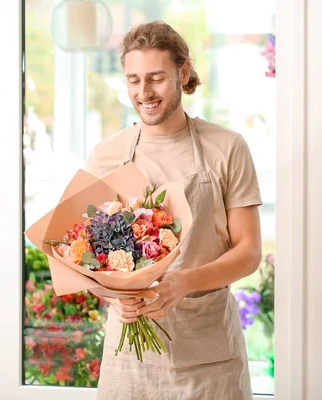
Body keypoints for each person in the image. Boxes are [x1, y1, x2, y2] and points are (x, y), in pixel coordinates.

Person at [84, 20, 263, 400]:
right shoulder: (108, 155)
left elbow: (248, 251)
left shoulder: (227, 147)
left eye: (156, 78)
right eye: (133, 80)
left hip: (209, 354)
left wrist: (184, 282)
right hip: (130, 359)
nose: (144, 92)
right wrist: (114, 294)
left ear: (182, 73)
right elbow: (85, 255)